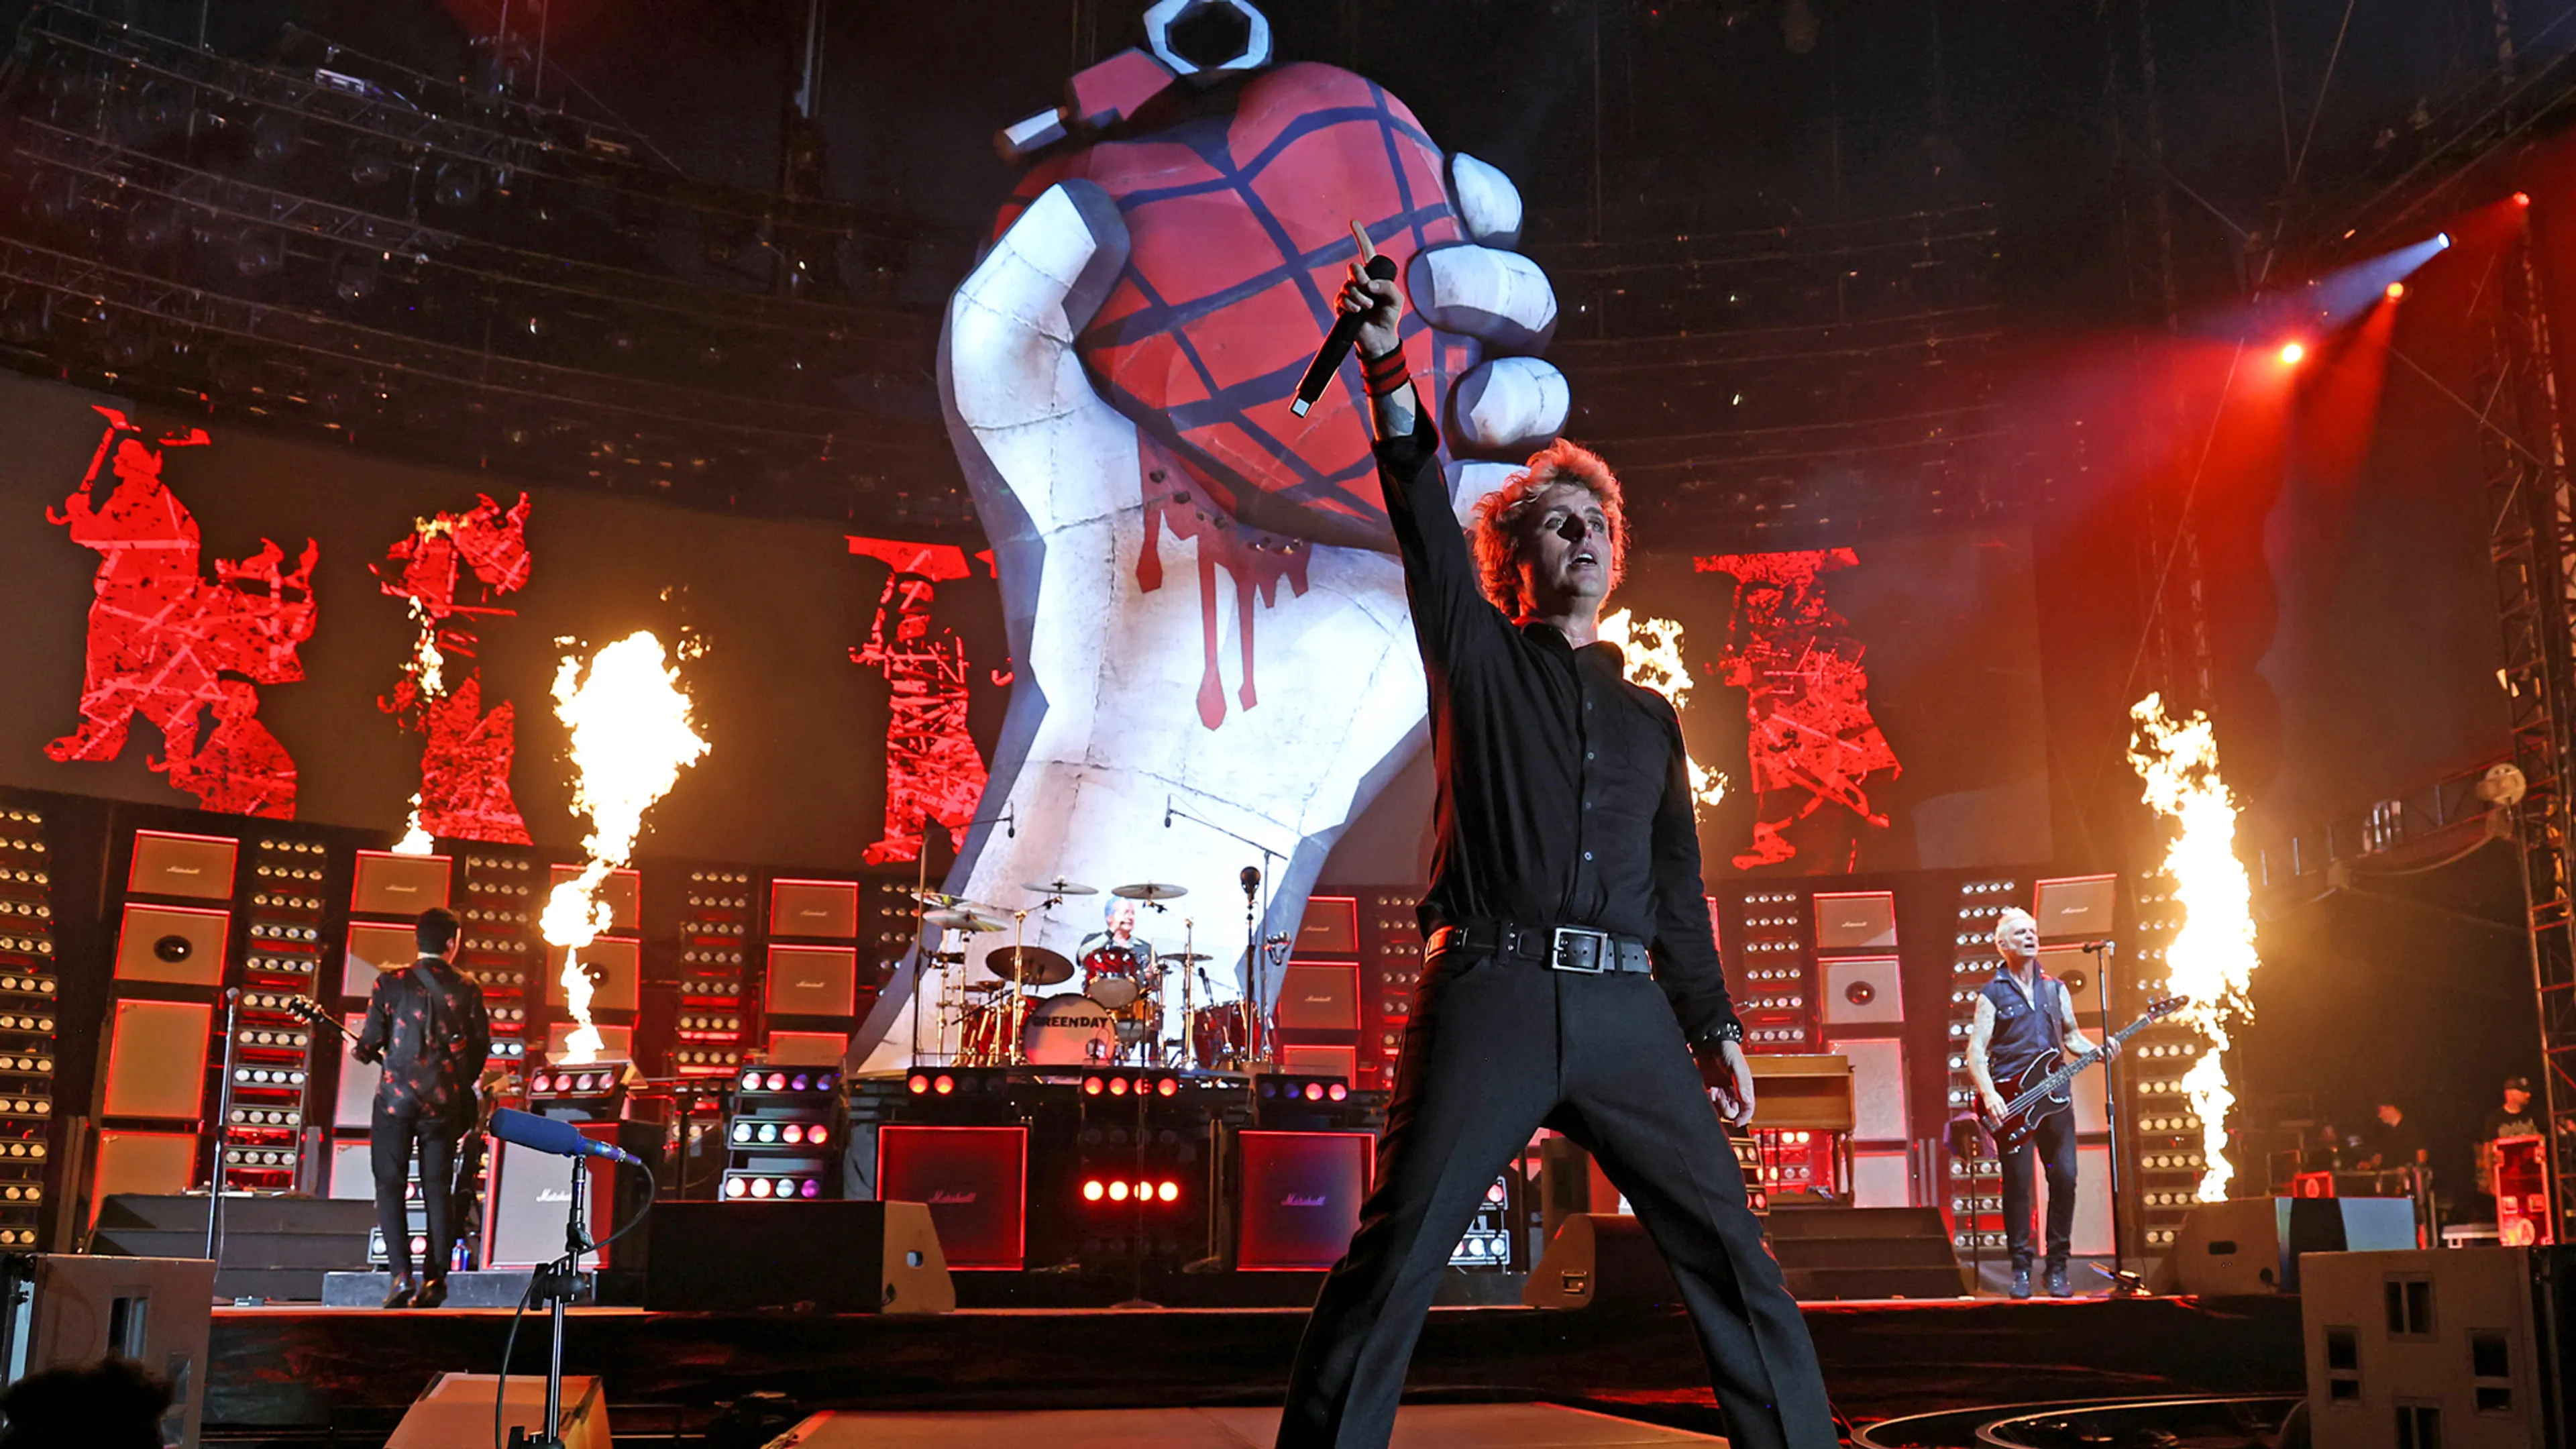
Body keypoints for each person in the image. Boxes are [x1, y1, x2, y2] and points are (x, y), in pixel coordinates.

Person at [1275, 248, 1835, 1449]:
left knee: (1735, 1254)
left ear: (1615, 557)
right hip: (1493, 991)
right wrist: (1385, 361)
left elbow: (1677, 895)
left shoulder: (1651, 720)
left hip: (1628, 1009)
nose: (1582, 535)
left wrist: (1717, 1029)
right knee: (1399, 1256)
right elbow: (1420, 506)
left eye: (1597, 524)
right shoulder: (1477, 660)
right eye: (1557, 523)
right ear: (1515, 559)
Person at [1965, 906, 2116, 1299]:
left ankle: (2058, 1268)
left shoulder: (2055, 989)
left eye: (2033, 931)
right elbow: (1976, 1053)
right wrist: (1990, 1094)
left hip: (2056, 1101)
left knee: (2064, 1178)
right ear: (2002, 945)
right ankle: (2019, 1269)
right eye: (2020, 933)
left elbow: (2072, 1037)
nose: (2031, 937)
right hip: (2014, 1103)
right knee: (2017, 1186)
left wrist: (2098, 1049)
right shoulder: (1992, 993)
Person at [353, 905, 490, 1309]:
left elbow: (370, 1042)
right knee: (438, 1187)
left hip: (396, 1100)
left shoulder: (389, 983)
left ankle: (400, 1276)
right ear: (453, 943)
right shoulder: (468, 988)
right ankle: (436, 1278)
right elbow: (480, 1049)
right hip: (444, 1103)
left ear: (419, 940)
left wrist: (358, 1051)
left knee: (390, 1183)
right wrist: (458, 1081)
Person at [2354, 1102, 2425, 1175]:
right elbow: (2380, 1156)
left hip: (2408, 1180)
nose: (2379, 1116)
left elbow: (2421, 1152)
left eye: (2381, 1111)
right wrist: (2369, 1165)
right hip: (2390, 1179)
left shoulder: (2410, 1128)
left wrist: (2413, 1171)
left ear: (2391, 1108)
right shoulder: (2385, 1132)